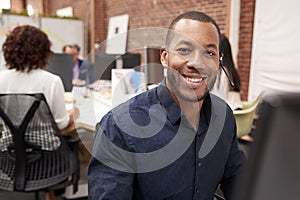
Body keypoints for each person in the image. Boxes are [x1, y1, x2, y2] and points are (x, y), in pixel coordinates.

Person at [88, 11, 246, 200]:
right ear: (164, 57)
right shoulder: (119, 127)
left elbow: (241, 184)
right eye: (184, 50)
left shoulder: (223, 116)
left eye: (209, 53)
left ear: (218, 63)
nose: (197, 63)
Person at [0, 25, 75, 200]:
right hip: (47, 160)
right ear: (43, 51)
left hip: (8, 157)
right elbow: (62, 124)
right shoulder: (51, 81)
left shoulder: (0, 79)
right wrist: (73, 114)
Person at [211, 34, 243, 110]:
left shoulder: (222, 72)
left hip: (226, 114)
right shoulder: (231, 70)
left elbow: (218, 98)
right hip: (238, 113)